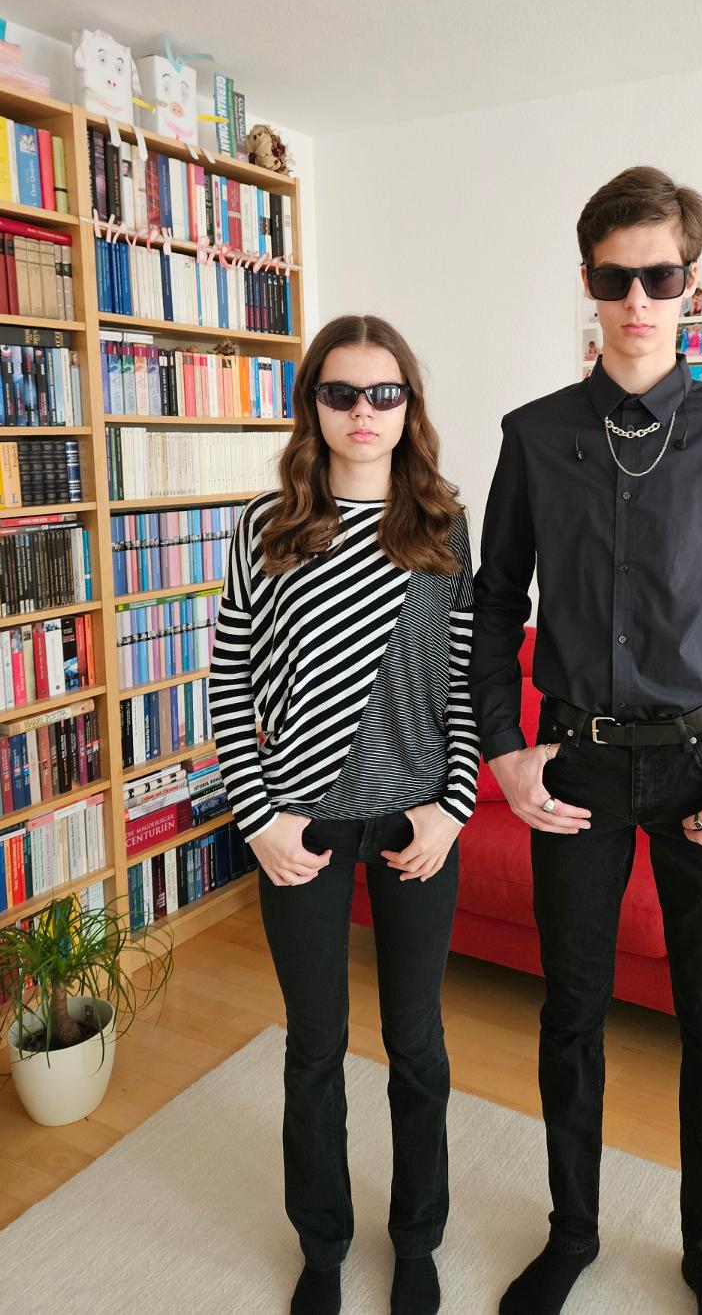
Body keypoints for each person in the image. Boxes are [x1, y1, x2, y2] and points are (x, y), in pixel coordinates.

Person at [470, 166, 702, 1315]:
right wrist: (502, 747)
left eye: (661, 276)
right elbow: (493, 605)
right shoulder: (533, 437)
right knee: (570, 1015)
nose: (638, 299)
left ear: (691, 283)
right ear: (589, 281)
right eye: (616, 276)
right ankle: (571, 1235)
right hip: (572, 766)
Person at [209, 315, 479, 1315]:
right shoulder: (264, 527)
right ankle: (322, 1246)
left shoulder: (444, 526)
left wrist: (454, 809)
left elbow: (466, 685)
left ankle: (417, 1241)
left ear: (409, 406)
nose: (364, 411)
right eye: (341, 393)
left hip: (417, 824)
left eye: (384, 393)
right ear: (312, 405)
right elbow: (227, 681)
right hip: (300, 829)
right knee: (314, 1049)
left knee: (417, 1046)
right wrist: (258, 817)